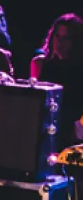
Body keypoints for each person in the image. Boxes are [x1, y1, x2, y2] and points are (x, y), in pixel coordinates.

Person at [30, 13, 83, 145]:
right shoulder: (40, 64)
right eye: (57, 37)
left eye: (66, 38)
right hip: (45, 132)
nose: (59, 43)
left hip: (74, 136)